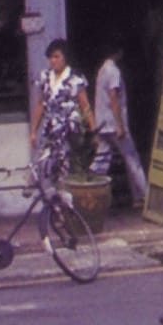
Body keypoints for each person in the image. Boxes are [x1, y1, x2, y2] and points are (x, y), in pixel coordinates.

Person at [92, 46, 150, 211]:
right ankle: (144, 195)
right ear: (118, 52)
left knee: (101, 162)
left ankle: (91, 191)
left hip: (103, 123)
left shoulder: (102, 70)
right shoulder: (113, 71)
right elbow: (113, 98)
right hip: (113, 124)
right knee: (132, 159)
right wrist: (120, 125)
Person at [31, 38, 95, 177]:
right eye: (50, 57)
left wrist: (93, 129)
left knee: (68, 170)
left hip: (70, 131)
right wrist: (34, 131)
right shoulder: (46, 77)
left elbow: (85, 106)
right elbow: (40, 105)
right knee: (46, 169)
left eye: (56, 56)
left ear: (65, 57)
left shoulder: (75, 78)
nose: (53, 61)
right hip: (50, 131)